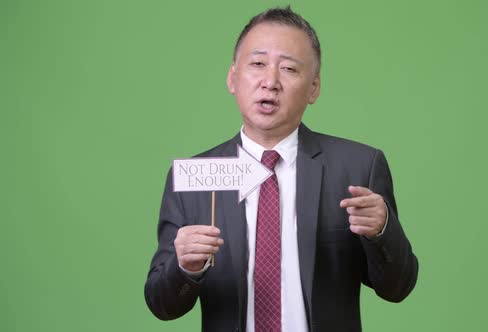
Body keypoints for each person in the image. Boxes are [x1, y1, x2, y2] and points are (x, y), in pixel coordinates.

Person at [145, 6, 418, 332]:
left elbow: (397, 287)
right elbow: (162, 305)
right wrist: (185, 268)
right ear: (233, 78)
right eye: (257, 64)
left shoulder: (359, 167)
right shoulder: (193, 178)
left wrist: (382, 230)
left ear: (314, 88)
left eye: (289, 68)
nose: (270, 81)